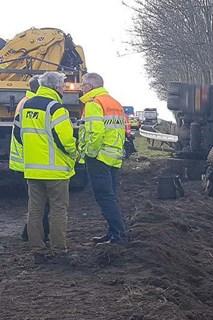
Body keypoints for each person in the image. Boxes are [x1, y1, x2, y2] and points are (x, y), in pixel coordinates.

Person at [12, 71, 78, 257]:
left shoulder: (26, 106)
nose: (63, 89)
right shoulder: (56, 108)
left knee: (34, 210)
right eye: (62, 86)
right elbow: (65, 140)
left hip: (32, 169)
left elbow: (18, 135)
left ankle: (37, 248)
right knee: (58, 209)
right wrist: (75, 154)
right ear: (56, 87)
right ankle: (59, 248)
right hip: (56, 171)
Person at [78, 72, 128, 244]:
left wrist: (89, 154)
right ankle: (114, 232)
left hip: (99, 157)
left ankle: (118, 234)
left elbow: (95, 133)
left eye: (83, 84)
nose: (80, 87)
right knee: (111, 196)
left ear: (90, 86)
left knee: (104, 197)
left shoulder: (93, 104)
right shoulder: (115, 103)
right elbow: (122, 130)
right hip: (114, 156)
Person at [13, 76, 51, 242]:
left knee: (37, 200)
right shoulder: (32, 103)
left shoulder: (25, 101)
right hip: (31, 158)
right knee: (40, 201)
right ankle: (33, 233)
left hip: (27, 157)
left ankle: (31, 232)